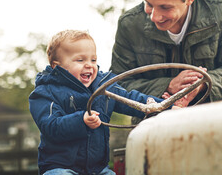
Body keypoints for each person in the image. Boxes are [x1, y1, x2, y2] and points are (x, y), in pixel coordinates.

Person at [29, 30, 186, 175]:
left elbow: (133, 99)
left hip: (96, 169)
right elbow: (51, 126)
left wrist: (168, 107)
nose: (89, 64)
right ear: (57, 66)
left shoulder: (104, 87)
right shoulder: (45, 93)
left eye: (93, 59)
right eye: (80, 60)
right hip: (60, 167)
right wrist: (81, 120)